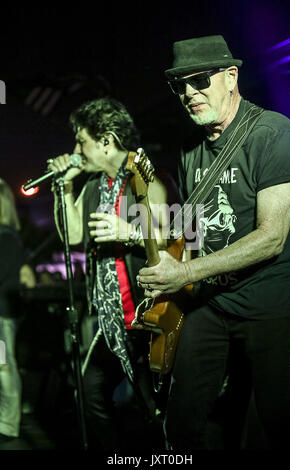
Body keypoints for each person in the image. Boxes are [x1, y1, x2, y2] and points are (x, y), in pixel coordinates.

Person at [137, 35, 290, 450]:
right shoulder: (190, 147)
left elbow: (272, 238)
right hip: (212, 303)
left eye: (200, 80)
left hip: (272, 306)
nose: (190, 94)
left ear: (231, 77)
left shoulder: (273, 132)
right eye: (180, 86)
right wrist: (160, 276)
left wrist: (185, 272)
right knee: (183, 419)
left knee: (278, 420)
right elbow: (192, 230)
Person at [49, 97, 171, 450]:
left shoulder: (146, 175)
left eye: (81, 140)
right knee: (89, 394)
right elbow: (73, 236)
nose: (76, 150)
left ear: (107, 140)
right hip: (113, 320)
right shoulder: (93, 187)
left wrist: (129, 232)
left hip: (151, 315)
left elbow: (177, 235)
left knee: (153, 407)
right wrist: (66, 186)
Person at [0, 178, 23, 443]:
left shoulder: (5, 237)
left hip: (3, 316)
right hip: (4, 314)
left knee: (4, 367)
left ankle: (8, 424)